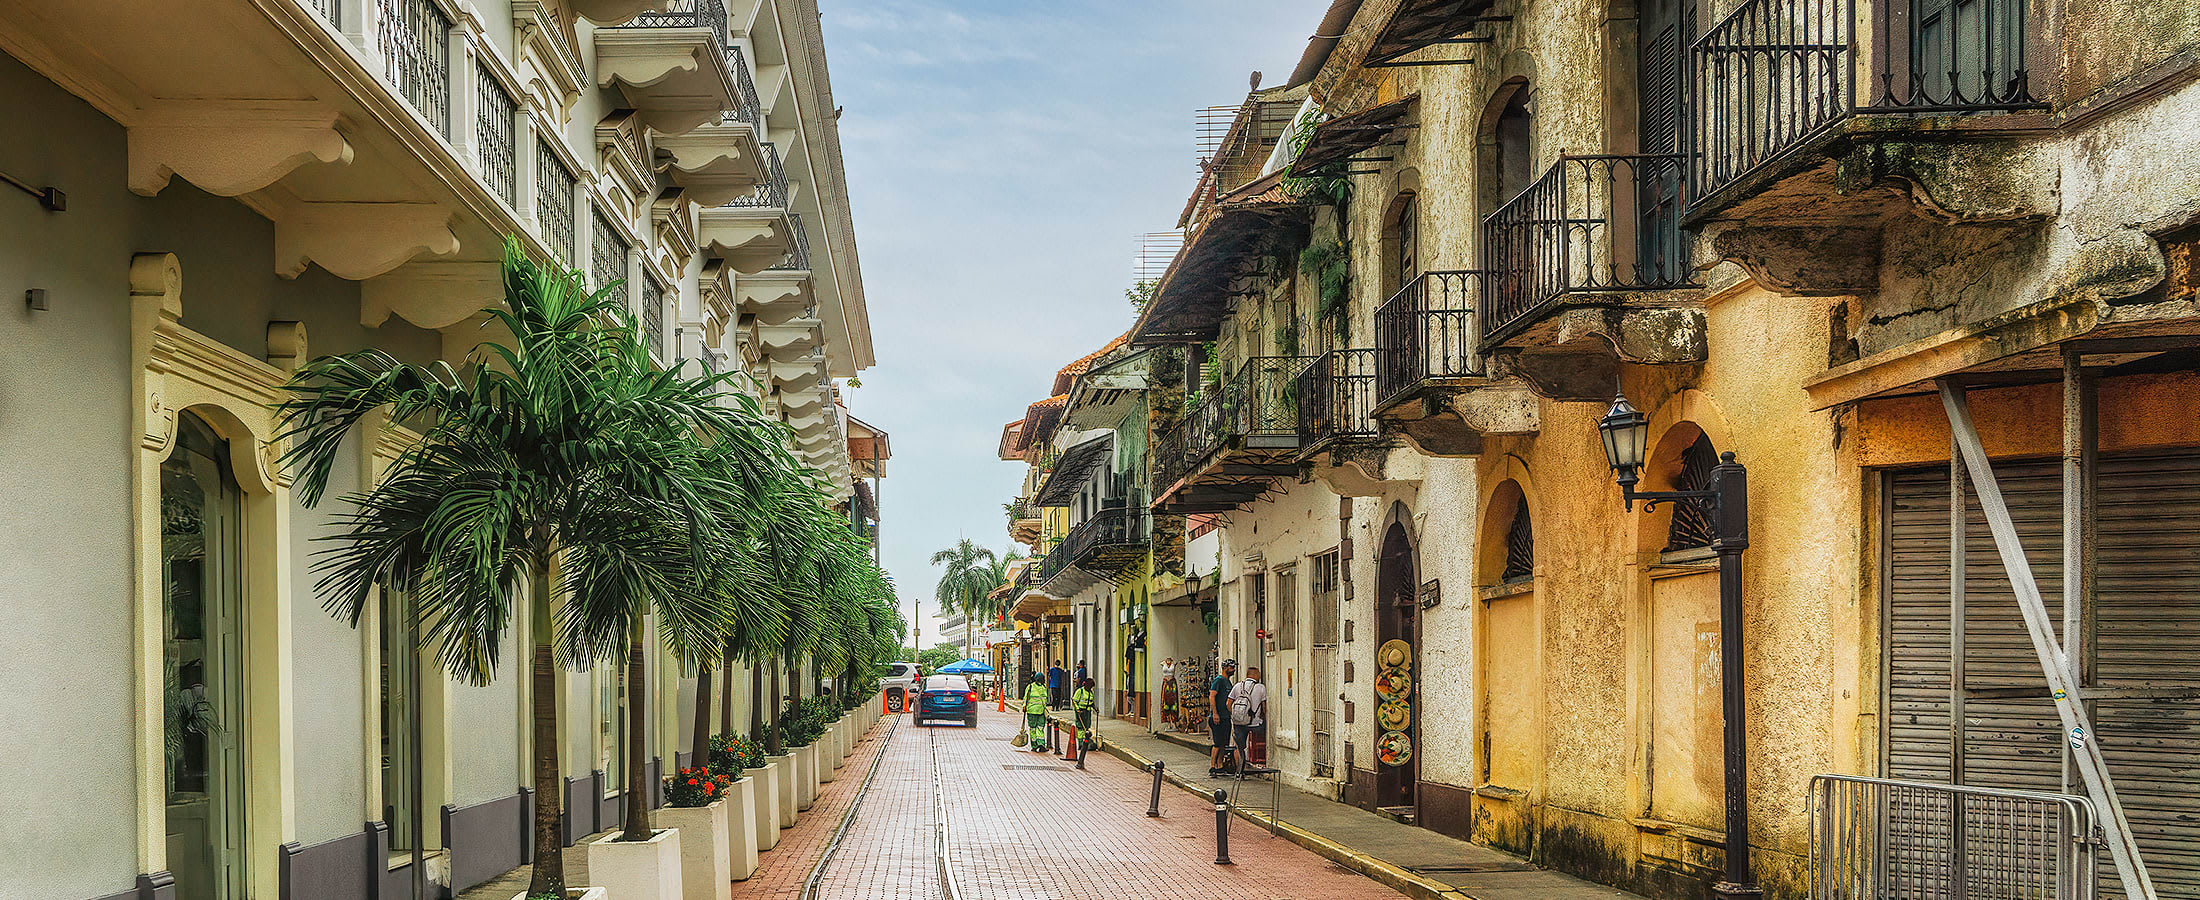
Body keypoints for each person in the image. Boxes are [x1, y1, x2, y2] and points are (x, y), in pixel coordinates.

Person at [1227, 665, 1269, 770]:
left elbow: (1228, 703)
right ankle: (1258, 762)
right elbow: (1264, 706)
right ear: (1255, 675)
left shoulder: (1237, 686)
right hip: (1255, 723)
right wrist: (1263, 716)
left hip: (1239, 722)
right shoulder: (1260, 687)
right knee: (1261, 738)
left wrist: (1236, 715)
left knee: (1239, 747)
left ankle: (1240, 771)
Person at [1207, 659, 1237, 776]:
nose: (1233, 670)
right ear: (1225, 668)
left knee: (1224, 742)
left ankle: (1220, 765)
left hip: (1225, 717)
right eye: (1231, 668)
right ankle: (1212, 766)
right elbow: (1212, 696)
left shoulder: (1228, 682)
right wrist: (1215, 713)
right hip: (1217, 716)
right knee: (1217, 742)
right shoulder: (1218, 681)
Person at [1022, 673, 1050, 751]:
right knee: (1039, 728)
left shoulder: (1031, 687)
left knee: (1033, 728)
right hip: (1039, 711)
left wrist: (1024, 706)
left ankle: (1035, 745)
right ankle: (1040, 744)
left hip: (1033, 711)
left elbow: (1025, 698)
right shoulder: (1041, 688)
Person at [1071, 676, 1096, 743]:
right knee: (1080, 727)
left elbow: (1091, 702)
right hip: (1080, 711)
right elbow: (1074, 701)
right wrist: (1077, 709)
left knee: (1087, 726)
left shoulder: (1091, 692)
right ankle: (1080, 741)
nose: (1091, 688)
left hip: (1087, 711)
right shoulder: (1080, 691)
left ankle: (1086, 740)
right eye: (1090, 686)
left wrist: (1095, 708)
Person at [1160, 657, 1178, 725]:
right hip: (1166, 683)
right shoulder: (1163, 663)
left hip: (1172, 683)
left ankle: (1173, 720)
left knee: (1173, 700)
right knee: (1165, 701)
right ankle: (1167, 720)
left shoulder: (1174, 663)